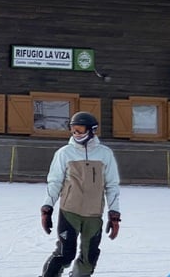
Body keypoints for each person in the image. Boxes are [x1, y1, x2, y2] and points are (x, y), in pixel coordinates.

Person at [39, 112, 121, 277]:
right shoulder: (64, 153)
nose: (76, 133)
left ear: (92, 131)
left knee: (89, 257)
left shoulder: (105, 154)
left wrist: (114, 213)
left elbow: (112, 185)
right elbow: (54, 182)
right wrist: (47, 207)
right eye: (73, 129)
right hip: (70, 211)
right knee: (65, 253)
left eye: (80, 129)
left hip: (93, 214)